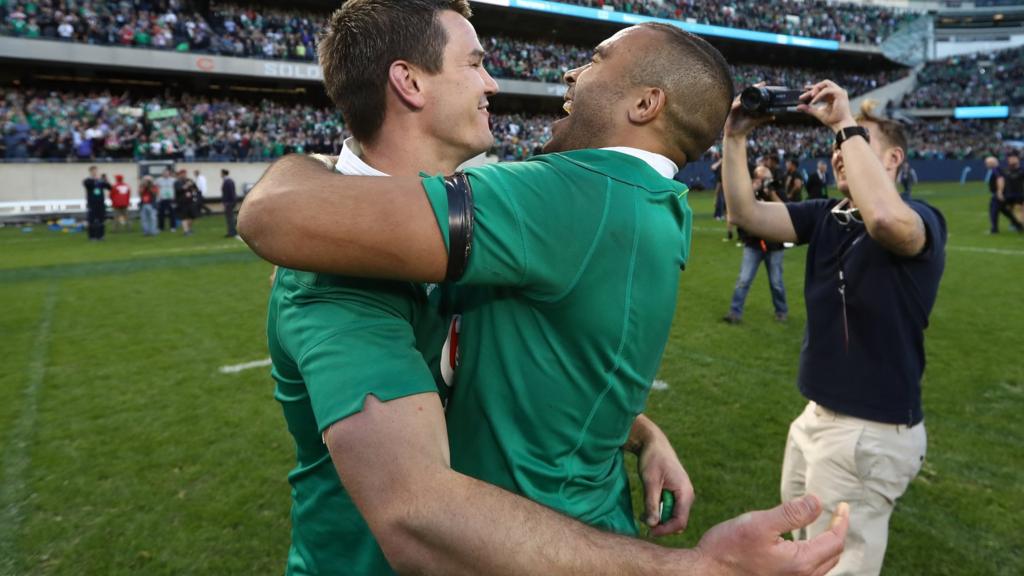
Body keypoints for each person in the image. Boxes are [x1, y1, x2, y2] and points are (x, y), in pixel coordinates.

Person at [240, 4, 848, 575]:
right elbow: (415, 513)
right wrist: (696, 566)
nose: (494, 83)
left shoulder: (547, 202)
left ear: (645, 103)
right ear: (410, 83)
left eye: (596, 60)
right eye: (475, 63)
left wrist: (640, 430)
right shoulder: (335, 269)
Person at [722, 84, 946, 575]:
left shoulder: (923, 219)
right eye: (839, 147)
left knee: (838, 566)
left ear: (893, 160)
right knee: (802, 555)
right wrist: (734, 139)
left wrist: (845, 124)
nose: (841, 153)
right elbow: (746, 214)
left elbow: (886, 218)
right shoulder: (828, 215)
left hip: (870, 431)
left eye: (858, 143)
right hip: (817, 418)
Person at [723, 165, 788, 324]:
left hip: (774, 244)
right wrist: (752, 190)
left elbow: (786, 209)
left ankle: (781, 311)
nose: (763, 182)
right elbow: (740, 208)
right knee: (744, 279)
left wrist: (771, 193)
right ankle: (735, 312)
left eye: (766, 179)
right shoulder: (749, 192)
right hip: (753, 243)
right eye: (760, 178)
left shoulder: (777, 190)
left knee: (776, 282)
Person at [985, 155, 1023, 234]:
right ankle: (1017, 225)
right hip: (1011, 194)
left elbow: (1000, 179)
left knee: (994, 209)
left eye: (987, 163)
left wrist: (999, 192)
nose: (986, 165)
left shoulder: (996, 169)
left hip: (1004, 194)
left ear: (991, 163)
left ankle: (994, 229)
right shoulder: (1004, 169)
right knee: (1004, 210)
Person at [83, 166, 110, 241]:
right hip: (92, 203)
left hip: (100, 203)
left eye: (96, 171)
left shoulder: (100, 181)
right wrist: (96, 180)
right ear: (90, 172)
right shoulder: (87, 180)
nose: (95, 173)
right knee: (91, 220)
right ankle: (92, 236)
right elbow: (87, 185)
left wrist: (106, 181)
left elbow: (109, 187)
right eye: (93, 171)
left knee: (101, 220)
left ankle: (101, 236)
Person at [173, 169, 199, 236]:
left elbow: (196, 189)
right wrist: (187, 185)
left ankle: (189, 229)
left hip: (190, 201)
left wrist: (193, 187)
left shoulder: (189, 180)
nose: (184, 175)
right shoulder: (177, 182)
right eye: (182, 174)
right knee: (184, 217)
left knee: (192, 217)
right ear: (180, 175)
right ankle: (186, 231)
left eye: (185, 174)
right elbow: (179, 190)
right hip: (182, 202)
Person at [1004, 152, 1024, 225]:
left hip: (1020, 193)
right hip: (1008, 193)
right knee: (1009, 210)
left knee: (1021, 209)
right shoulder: (1006, 170)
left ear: (1017, 160)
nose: (1011, 160)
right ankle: (1013, 223)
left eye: (1013, 159)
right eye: (1010, 159)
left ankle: (1021, 223)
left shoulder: (1022, 170)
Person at [220, 169, 238, 237]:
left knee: (230, 218)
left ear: (223, 173)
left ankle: (232, 232)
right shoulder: (227, 181)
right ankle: (232, 231)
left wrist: (230, 202)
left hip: (229, 203)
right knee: (230, 218)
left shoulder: (228, 181)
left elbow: (231, 193)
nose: (220, 174)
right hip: (229, 202)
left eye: (221, 173)